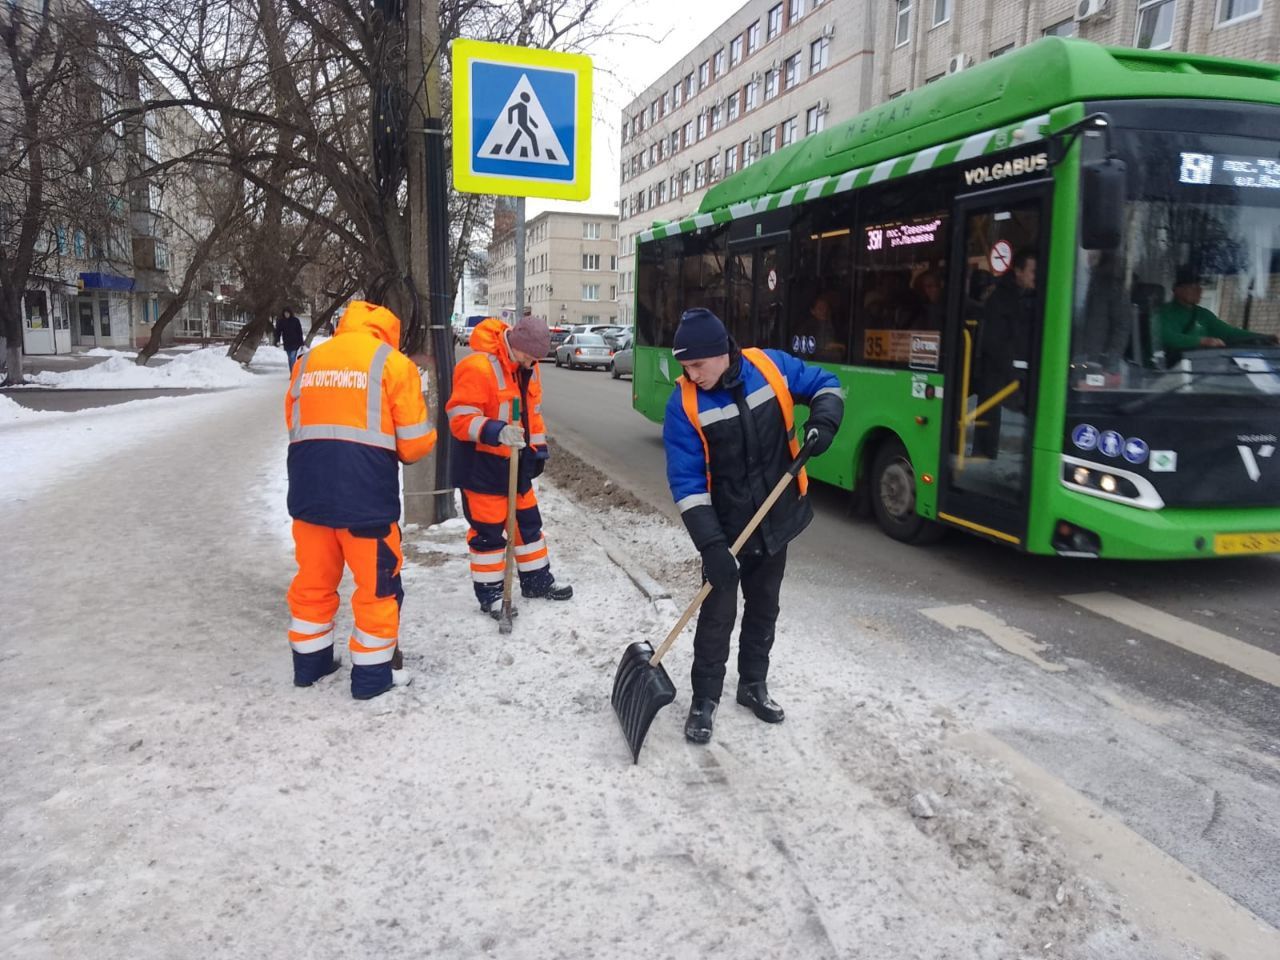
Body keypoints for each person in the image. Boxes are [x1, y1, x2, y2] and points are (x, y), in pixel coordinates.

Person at [663, 308, 844, 745]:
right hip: (726, 531)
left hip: (776, 517)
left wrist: (824, 422)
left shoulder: (771, 367)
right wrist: (711, 546)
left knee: (764, 608)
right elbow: (687, 484)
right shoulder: (684, 403)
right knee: (716, 616)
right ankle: (704, 700)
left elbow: (826, 384)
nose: (691, 374)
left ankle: (752, 685)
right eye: (684, 367)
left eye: (696, 365)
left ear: (720, 353)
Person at [284, 300, 437, 700]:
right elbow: (416, 445)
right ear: (389, 331)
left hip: (309, 496)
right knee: (376, 591)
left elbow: (294, 423)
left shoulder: (308, 361)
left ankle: (310, 667)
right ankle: (372, 679)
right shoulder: (392, 364)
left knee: (313, 584)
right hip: (366, 503)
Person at [446, 314, 573, 613]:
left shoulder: (529, 367)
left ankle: (536, 581)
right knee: (489, 534)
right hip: (482, 466)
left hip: (517, 464)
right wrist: (496, 431)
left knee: (528, 525)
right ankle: (491, 595)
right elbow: (459, 419)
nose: (532, 364)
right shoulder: (477, 367)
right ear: (515, 345)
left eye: (537, 359)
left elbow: (534, 414)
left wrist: (537, 450)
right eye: (529, 357)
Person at [974, 249, 1037, 458]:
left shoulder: (1028, 297)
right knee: (990, 418)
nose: (1035, 277)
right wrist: (1013, 369)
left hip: (1014, 368)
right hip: (999, 370)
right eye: (1032, 271)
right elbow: (996, 341)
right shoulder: (1002, 298)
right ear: (1018, 271)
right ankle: (985, 456)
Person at [1154, 268, 1278, 364]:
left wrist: (1266, 338)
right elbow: (1164, 336)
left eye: (1199, 286)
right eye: (1192, 286)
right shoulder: (1164, 312)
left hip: (1198, 371)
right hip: (1166, 373)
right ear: (1177, 290)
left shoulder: (1202, 314)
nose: (1199, 290)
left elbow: (1230, 333)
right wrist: (1202, 341)